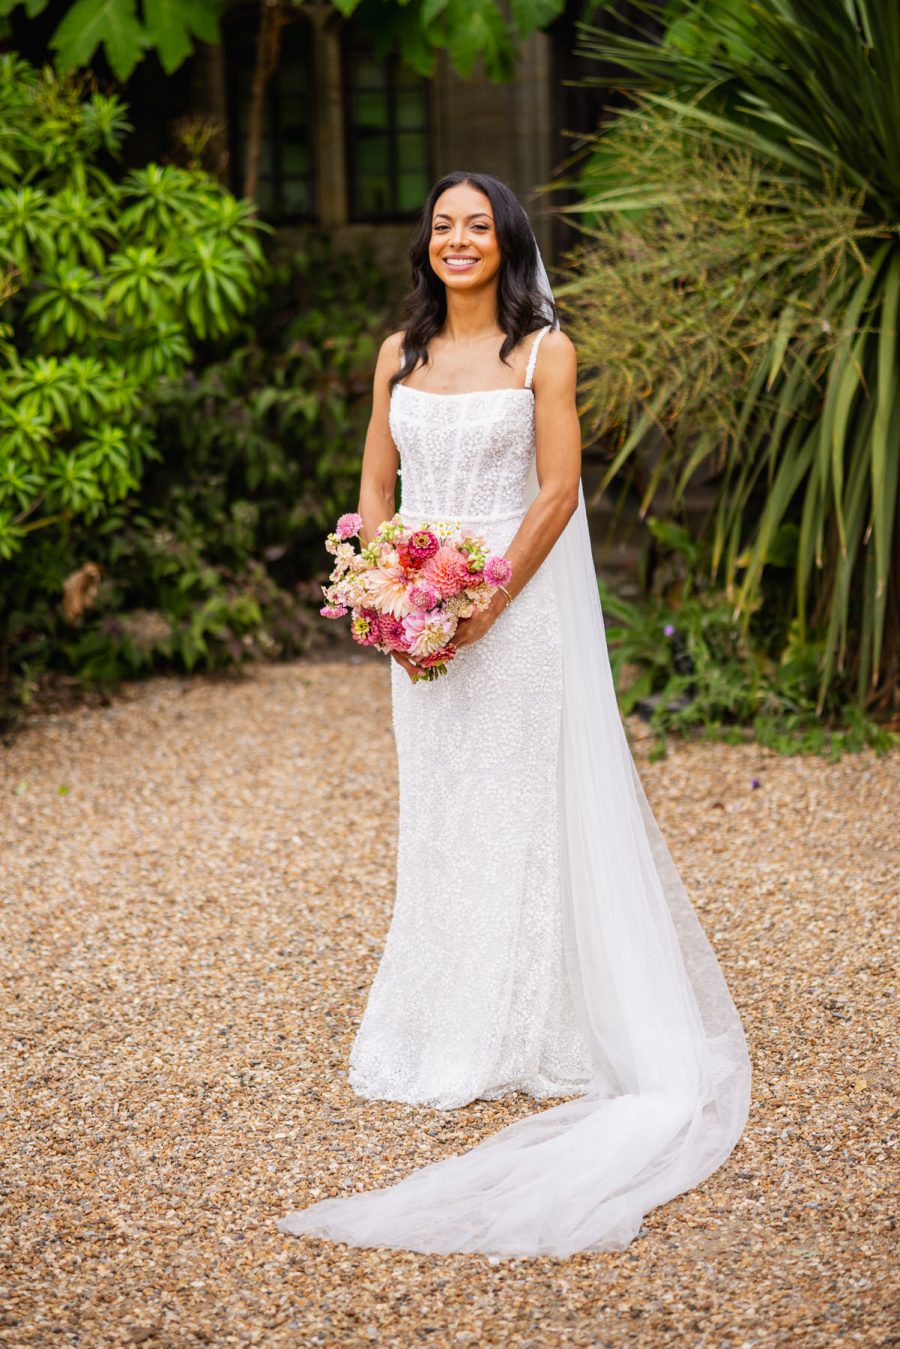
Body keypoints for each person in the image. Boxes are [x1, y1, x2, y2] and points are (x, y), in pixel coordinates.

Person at [279, 171, 752, 1257]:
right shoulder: (396, 354)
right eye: (442, 226)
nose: (457, 241)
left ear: (508, 242)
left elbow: (557, 490)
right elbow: (377, 478)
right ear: (427, 245)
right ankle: (441, 1019)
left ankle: (536, 1022)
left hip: (510, 610)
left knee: (519, 805)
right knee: (441, 806)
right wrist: (380, 584)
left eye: (477, 226)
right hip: (420, 616)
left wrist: (482, 603)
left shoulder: (545, 352)